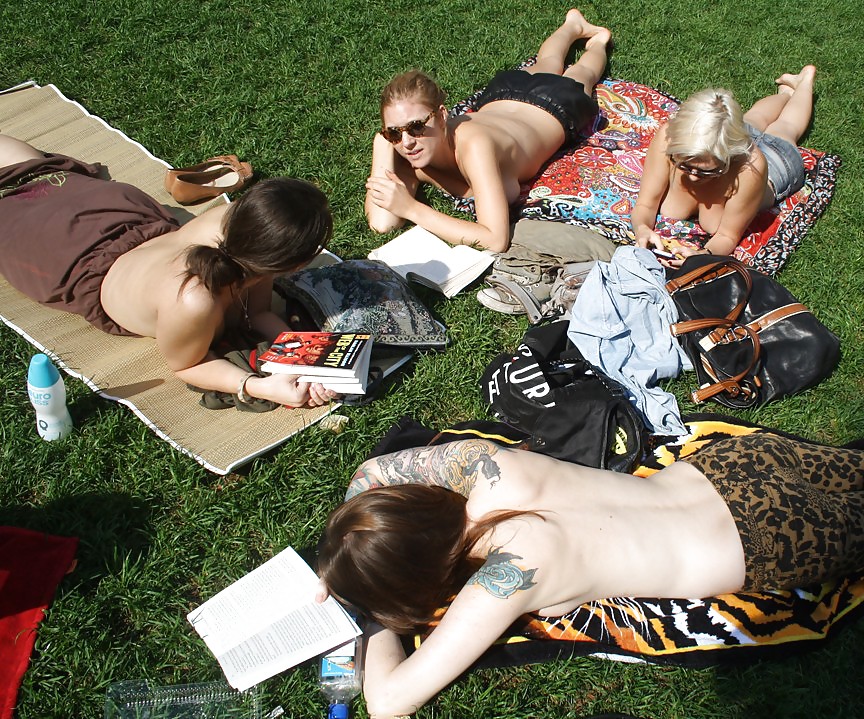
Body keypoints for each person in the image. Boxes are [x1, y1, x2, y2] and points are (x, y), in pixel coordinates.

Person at [316, 434, 864, 717]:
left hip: (771, 538)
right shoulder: (485, 465)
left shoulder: (506, 576)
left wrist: (367, 614)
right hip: (737, 464)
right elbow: (370, 474)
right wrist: (355, 545)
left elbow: (389, 701)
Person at [0, 135, 337, 408]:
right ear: (294, 264)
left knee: (35, 171)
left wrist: (305, 360)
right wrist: (259, 387)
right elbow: (187, 364)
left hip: (115, 215)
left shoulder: (237, 230)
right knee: (25, 189)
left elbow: (259, 312)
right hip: (67, 254)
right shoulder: (194, 300)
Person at [365, 9, 611, 253]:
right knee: (546, 62)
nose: (407, 142)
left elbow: (495, 239)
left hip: (552, 105)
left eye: (417, 127)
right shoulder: (407, 148)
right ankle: (571, 25)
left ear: (442, 116)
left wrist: (411, 209)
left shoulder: (474, 146)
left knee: (582, 73)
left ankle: (597, 41)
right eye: (394, 133)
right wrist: (382, 144)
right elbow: (382, 223)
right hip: (501, 99)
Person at [631, 66, 816, 263]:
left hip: (776, 162)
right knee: (754, 118)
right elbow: (645, 204)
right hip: (723, 141)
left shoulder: (750, 168)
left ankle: (805, 83)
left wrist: (702, 256)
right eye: (684, 165)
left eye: (708, 171)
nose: (693, 176)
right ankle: (786, 93)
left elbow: (727, 236)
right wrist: (642, 228)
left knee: (785, 128)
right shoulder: (669, 139)